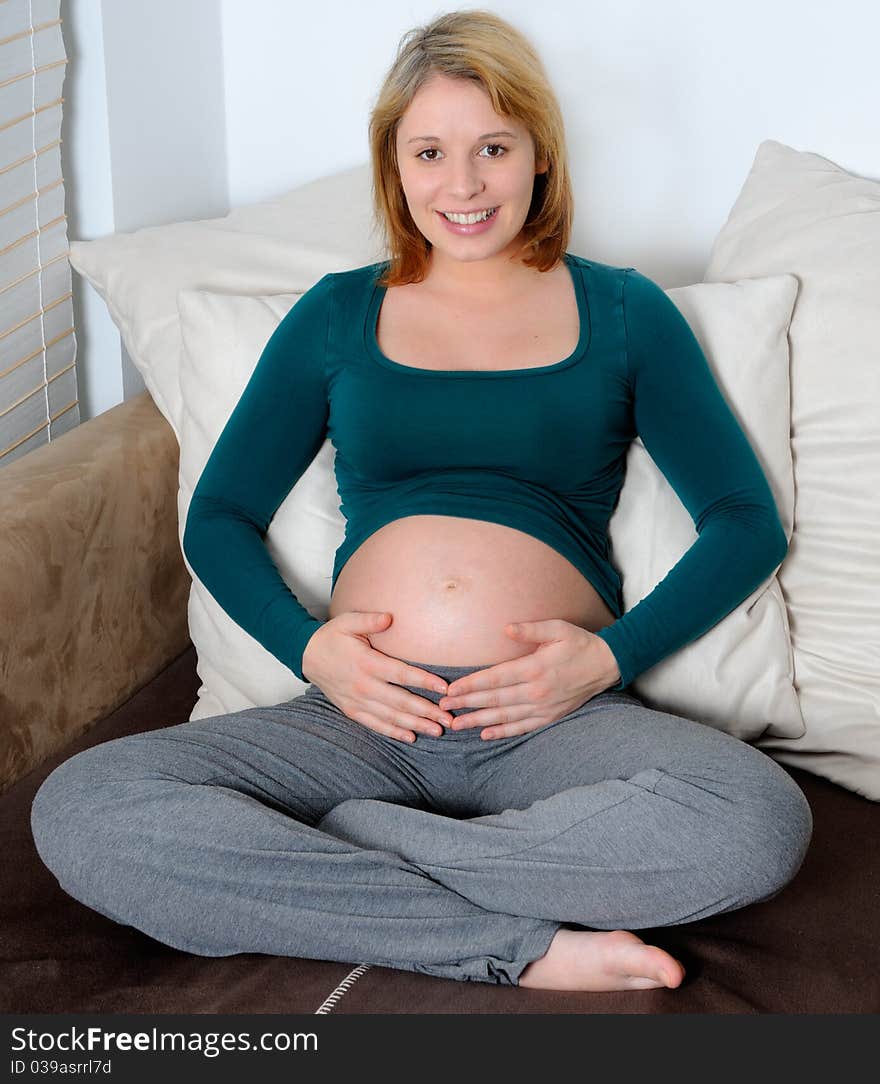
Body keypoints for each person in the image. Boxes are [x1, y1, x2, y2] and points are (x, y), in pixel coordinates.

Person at [30, 9, 812, 992]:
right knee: (85, 805)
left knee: (755, 824)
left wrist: (609, 656)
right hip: (359, 718)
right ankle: (512, 948)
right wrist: (308, 648)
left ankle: (346, 849)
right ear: (393, 166)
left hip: (550, 721)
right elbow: (219, 513)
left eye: (493, 147)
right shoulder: (335, 314)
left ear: (539, 155)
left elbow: (744, 519)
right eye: (429, 151)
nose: (463, 183)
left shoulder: (623, 311)